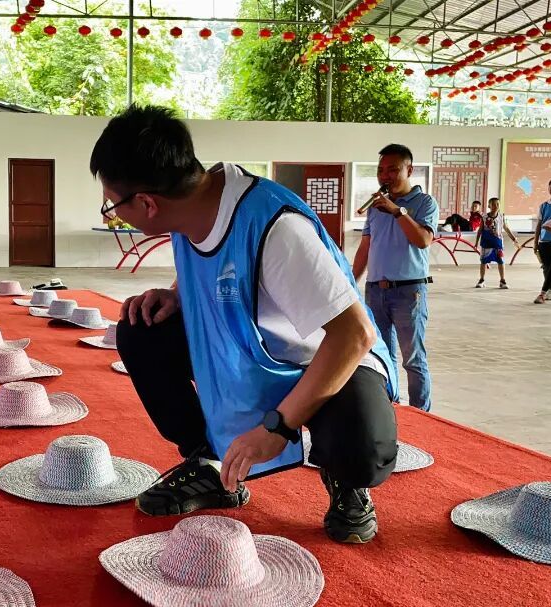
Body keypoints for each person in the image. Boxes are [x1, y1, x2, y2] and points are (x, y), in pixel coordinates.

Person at [95, 106, 398, 544]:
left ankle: (345, 479)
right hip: (251, 355)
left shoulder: (274, 227)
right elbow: (215, 261)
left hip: (325, 362)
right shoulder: (190, 207)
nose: (113, 214)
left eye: (112, 204)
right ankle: (210, 463)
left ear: (147, 203)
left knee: (362, 451)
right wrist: (177, 295)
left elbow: (354, 334)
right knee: (142, 329)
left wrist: (279, 427)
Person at [353, 143, 438, 412]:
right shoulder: (375, 207)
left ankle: (421, 415)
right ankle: (390, 410)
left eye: (392, 169)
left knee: (413, 359)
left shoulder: (424, 203)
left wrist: (397, 211)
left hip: (409, 292)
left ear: (409, 170)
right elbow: (366, 247)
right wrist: (350, 282)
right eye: (380, 170)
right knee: (381, 356)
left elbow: (423, 240)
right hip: (375, 291)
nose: (385, 175)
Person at [474, 197, 519, 289]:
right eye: (493, 204)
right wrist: (476, 242)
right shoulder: (484, 217)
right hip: (486, 242)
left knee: (500, 261)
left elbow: (506, 228)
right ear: (489, 206)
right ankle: (481, 280)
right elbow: (480, 230)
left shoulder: (501, 216)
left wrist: (514, 239)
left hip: (497, 243)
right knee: (483, 262)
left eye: (497, 204)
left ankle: (502, 280)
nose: (495, 206)